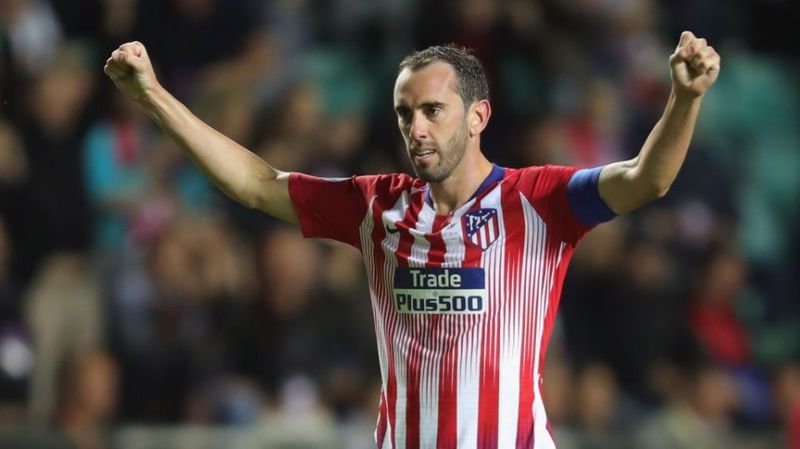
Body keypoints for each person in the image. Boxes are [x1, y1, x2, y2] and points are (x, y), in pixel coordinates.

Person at [104, 31, 720, 448]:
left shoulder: (538, 200)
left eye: (432, 111)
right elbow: (257, 184)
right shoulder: (377, 207)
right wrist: (151, 96)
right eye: (405, 114)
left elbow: (647, 179)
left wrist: (685, 99)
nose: (416, 129)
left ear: (477, 116)